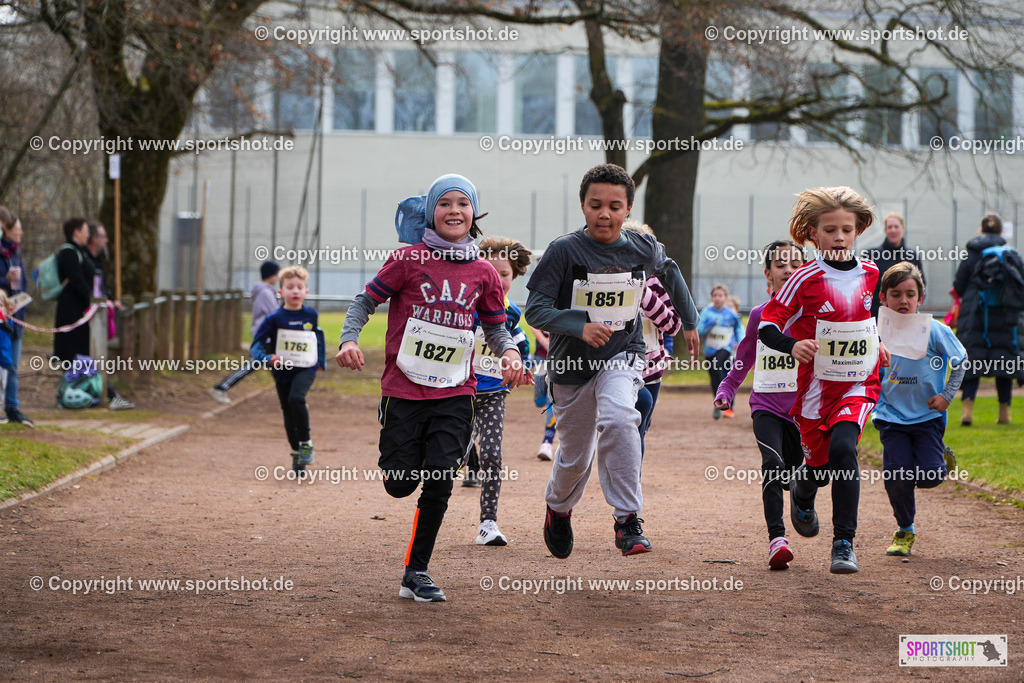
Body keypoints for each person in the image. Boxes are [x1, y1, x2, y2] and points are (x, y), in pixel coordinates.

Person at [336, 173, 524, 603]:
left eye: (463, 203)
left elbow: (496, 328)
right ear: (430, 212)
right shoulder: (407, 259)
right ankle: (413, 459)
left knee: (439, 479)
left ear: (473, 212)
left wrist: (510, 354)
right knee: (400, 484)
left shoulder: (483, 272)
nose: (454, 210)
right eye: (445, 203)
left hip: (457, 392)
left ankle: (416, 572)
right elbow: (364, 301)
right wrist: (349, 338)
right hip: (403, 390)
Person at [525, 163, 700, 559]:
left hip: (623, 354)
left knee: (622, 417)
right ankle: (558, 508)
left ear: (628, 209)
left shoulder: (641, 247)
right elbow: (535, 310)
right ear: (583, 206)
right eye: (596, 204)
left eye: (615, 206)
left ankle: (627, 518)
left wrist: (690, 319)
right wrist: (578, 325)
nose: (605, 214)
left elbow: (669, 270)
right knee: (574, 458)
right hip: (571, 365)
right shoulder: (564, 251)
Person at [758, 186, 890, 575]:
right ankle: (804, 488)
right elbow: (768, 325)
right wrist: (793, 344)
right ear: (813, 234)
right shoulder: (804, 278)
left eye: (846, 230)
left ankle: (844, 543)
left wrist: (878, 342)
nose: (839, 237)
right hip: (816, 389)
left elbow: (870, 318)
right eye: (830, 230)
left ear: (858, 231)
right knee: (819, 465)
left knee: (845, 451)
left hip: (858, 383)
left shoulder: (870, 274)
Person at [714, 240, 806, 569]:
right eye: (781, 264)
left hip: (803, 411)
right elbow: (744, 358)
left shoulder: (814, 316)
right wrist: (727, 387)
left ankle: (801, 496)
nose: (789, 270)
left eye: (796, 264)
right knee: (772, 464)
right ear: (769, 274)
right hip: (766, 405)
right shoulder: (758, 316)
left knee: (797, 474)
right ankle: (777, 540)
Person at [873, 262, 966, 556]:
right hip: (891, 416)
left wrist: (947, 395)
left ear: (920, 298)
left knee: (929, 477)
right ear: (883, 298)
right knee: (897, 477)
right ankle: (905, 529)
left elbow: (961, 360)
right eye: (896, 294)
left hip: (928, 416)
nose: (903, 300)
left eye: (910, 294)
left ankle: (938, 461)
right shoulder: (874, 331)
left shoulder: (934, 330)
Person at [466, 235, 533, 546]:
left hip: (493, 392)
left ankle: (488, 523)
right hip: (458, 393)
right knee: (455, 454)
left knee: (492, 455)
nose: (497, 279)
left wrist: (524, 365)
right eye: (490, 272)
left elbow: (518, 340)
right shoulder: (464, 305)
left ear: (514, 275)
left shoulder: (512, 311)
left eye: (504, 274)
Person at [250, 265, 325, 474]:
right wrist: (266, 358)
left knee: (296, 399)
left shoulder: (311, 315)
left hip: (305, 369)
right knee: (287, 412)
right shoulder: (274, 319)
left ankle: (306, 443)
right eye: (290, 287)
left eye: (299, 287)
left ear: (306, 291)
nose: (295, 291)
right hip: (282, 370)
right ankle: (297, 454)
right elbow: (256, 345)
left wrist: (319, 361)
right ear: (280, 292)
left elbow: (317, 337)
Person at [953, 212, 1024, 425]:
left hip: (976, 315)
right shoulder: (1011, 253)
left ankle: (967, 411)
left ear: (981, 229)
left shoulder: (971, 252)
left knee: (973, 361)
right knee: (1004, 362)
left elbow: (959, 285)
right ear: (1001, 231)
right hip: (1005, 314)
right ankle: (1004, 414)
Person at [623, 221, 682, 455]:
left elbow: (673, 325)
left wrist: (644, 293)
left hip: (652, 370)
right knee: (631, 418)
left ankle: (631, 478)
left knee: (641, 428)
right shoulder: (610, 282)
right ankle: (624, 477)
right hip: (621, 366)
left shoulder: (656, 284)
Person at [210, 260, 281, 404]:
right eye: (277, 274)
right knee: (259, 364)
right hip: (265, 336)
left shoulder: (263, 291)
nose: (278, 277)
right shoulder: (266, 292)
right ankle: (221, 387)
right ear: (272, 275)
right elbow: (275, 314)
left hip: (265, 335)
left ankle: (291, 396)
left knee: (275, 367)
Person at [85, 222, 134, 410]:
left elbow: (102, 288)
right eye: (104, 236)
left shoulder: (98, 261)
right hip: (88, 316)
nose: (107, 240)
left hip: (101, 314)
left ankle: (106, 392)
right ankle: (107, 393)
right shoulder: (86, 260)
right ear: (94, 239)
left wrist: (113, 300)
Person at [0, 207, 31, 425]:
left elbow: (22, 284)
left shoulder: (16, 253)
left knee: (13, 365)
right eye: (17, 229)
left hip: (15, 313)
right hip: (2, 317)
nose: (20, 233)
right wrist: (5, 279)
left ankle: (12, 406)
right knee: (4, 362)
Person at [863, 213, 924, 318]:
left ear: (903, 229)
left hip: (906, 317)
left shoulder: (912, 256)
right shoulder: (871, 256)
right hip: (877, 315)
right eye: (890, 227)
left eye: (896, 226)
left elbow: (921, 285)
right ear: (885, 230)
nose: (893, 230)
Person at [698, 284, 744, 419]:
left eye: (720, 295)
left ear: (725, 298)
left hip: (726, 348)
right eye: (715, 296)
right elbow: (699, 331)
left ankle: (726, 401)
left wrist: (740, 343)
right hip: (709, 351)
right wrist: (710, 324)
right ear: (711, 297)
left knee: (719, 366)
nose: (717, 298)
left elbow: (739, 329)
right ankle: (718, 401)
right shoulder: (706, 312)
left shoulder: (730, 314)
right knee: (714, 376)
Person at [54, 217, 95, 365]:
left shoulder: (81, 252)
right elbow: (78, 280)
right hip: (71, 311)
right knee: (73, 353)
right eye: (86, 231)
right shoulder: (68, 253)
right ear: (76, 232)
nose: (88, 234)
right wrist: (94, 299)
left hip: (81, 310)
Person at [529, 324, 557, 460]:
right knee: (539, 400)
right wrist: (542, 340)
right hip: (541, 357)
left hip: (561, 358)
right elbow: (531, 320)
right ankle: (545, 398)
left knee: (552, 399)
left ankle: (547, 443)